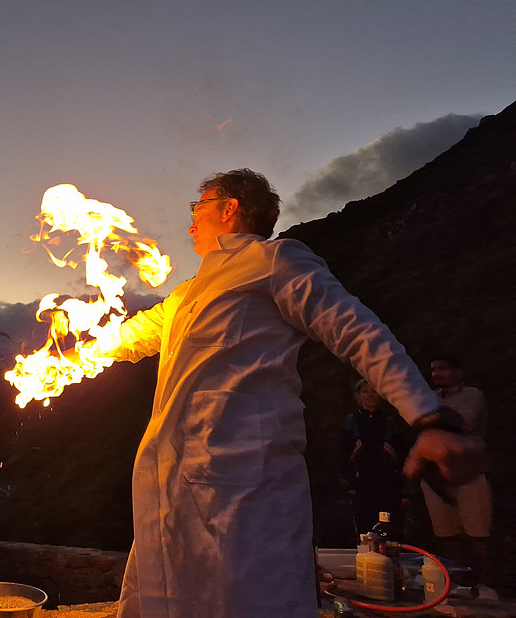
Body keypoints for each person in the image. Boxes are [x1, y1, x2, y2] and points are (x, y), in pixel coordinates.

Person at [91, 169, 478, 618]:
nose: (191, 219)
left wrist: (426, 415)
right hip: (171, 474)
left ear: (230, 208)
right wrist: (69, 345)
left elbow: (357, 332)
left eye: (199, 207)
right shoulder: (186, 296)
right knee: (169, 592)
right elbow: (130, 338)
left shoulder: (274, 260)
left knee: (247, 597)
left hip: (242, 478)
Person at [421, 353, 495, 596]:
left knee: (478, 534)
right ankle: (457, 585)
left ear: (458, 372)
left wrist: (430, 417)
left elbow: (464, 422)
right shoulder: (430, 397)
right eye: (434, 370)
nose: (437, 374)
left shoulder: (472, 395)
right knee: (447, 535)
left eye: (443, 368)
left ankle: (484, 585)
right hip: (436, 476)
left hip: (468, 472)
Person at [338, 378, 410, 541]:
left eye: (374, 392)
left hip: (387, 486)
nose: (370, 395)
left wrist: (404, 489)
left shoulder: (390, 422)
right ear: (358, 396)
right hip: (362, 485)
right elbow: (342, 455)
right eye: (366, 392)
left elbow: (403, 456)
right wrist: (349, 483)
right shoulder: (351, 422)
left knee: (390, 529)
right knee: (365, 531)